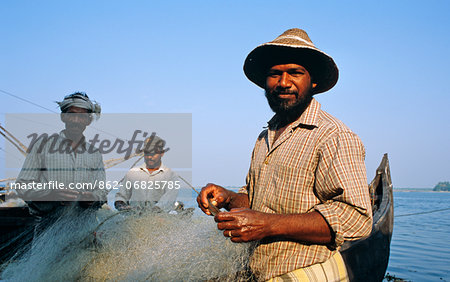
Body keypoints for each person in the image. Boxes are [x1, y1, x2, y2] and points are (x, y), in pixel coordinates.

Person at [197, 28, 373, 281]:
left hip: (306, 272)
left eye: (295, 73)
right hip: (263, 270)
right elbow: (259, 204)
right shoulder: (267, 135)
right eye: (275, 74)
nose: (283, 82)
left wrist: (268, 224)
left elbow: (356, 218)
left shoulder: (332, 135)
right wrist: (229, 197)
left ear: (312, 81)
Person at [16, 92, 106, 233]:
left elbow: (101, 191)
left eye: (82, 116)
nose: (76, 120)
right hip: (49, 229)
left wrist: (93, 198)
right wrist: (52, 195)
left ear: (88, 120)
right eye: (72, 114)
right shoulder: (43, 145)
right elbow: (23, 187)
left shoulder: (94, 153)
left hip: (86, 230)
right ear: (63, 117)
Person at [114, 135, 180, 212]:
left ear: (162, 153)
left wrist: (154, 211)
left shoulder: (171, 175)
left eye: (153, 154)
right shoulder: (132, 173)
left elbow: (168, 200)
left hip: (159, 219)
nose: (149, 157)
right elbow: (121, 196)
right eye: (147, 153)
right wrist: (121, 205)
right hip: (133, 217)